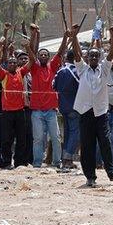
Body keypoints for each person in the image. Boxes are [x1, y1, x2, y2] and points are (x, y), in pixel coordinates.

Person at [72, 27, 113, 186]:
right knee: (87, 146)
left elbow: (110, 54)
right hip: (85, 112)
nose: (94, 57)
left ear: (99, 57)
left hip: (101, 113)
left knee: (105, 142)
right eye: (91, 55)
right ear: (87, 58)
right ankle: (90, 177)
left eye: (96, 55)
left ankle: (111, 172)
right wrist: (74, 36)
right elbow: (77, 53)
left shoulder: (105, 69)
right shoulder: (82, 69)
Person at [25, 26, 68, 168]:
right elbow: (30, 52)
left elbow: (61, 51)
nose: (43, 56)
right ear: (38, 57)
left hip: (51, 110)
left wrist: (66, 36)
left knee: (55, 137)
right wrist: (33, 35)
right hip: (36, 110)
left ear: (48, 57)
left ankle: (57, 162)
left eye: (45, 55)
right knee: (38, 139)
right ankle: (37, 163)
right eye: (41, 55)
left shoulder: (53, 66)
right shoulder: (35, 67)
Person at [0, 38, 32, 168]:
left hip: (20, 111)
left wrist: (28, 48)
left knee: (21, 139)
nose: (12, 64)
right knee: (6, 140)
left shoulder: (21, 72)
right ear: (7, 64)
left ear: (17, 64)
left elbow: (31, 61)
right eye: (9, 62)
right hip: (7, 112)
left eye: (14, 62)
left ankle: (19, 162)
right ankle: (7, 162)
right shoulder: (3, 75)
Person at [53, 49, 80, 169]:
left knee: (68, 133)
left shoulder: (60, 71)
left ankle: (65, 160)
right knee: (75, 133)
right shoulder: (76, 71)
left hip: (63, 106)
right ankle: (67, 158)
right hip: (74, 106)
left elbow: (54, 86)